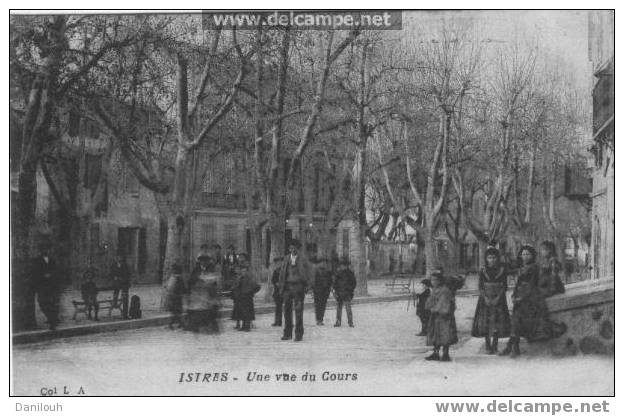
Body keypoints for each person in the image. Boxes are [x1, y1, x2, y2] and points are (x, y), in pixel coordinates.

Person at [500, 245, 565, 358]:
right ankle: (513, 346)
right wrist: (515, 295)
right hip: (521, 295)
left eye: (528, 254)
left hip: (531, 297)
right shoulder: (522, 267)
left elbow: (532, 285)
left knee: (517, 315)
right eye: (523, 254)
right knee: (516, 315)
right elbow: (518, 284)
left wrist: (522, 297)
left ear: (532, 256)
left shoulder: (534, 268)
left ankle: (513, 346)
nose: (525, 256)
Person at [471, 247, 511, 354]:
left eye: (494, 258)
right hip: (485, 300)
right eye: (489, 258)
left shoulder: (502, 270)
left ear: (497, 259)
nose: (492, 260)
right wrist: (485, 298)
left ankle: (495, 345)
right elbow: (480, 286)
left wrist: (498, 298)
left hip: (499, 300)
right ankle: (487, 346)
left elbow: (504, 286)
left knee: (497, 322)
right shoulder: (483, 270)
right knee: (486, 323)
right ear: (486, 259)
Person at [278, 239, 311, 341]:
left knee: (298, 311)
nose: (292, 250)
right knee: (287, 311)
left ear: (298, 248)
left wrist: (307, 287)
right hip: (287, 287)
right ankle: (287, 333)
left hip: (298, 287)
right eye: (290, 248)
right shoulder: (286, 258)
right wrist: (281, 286)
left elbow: (309, 274)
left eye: (294, 248)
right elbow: (282, 273)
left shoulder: (303, 259)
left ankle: (298, 334)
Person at [424, 269, 458, 362]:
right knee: (435, 334)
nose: (433, 282)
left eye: (435, 280)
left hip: (444, 316)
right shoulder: (435, 290)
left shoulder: (445, 290)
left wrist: (434, 309)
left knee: (445, 334)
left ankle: (446, 353)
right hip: (436, 315)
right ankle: (436, 353)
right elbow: (430, 301)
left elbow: (444, 303)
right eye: (432, 280)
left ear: (440, 280)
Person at [31, 240, 61, 330]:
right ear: (40, 250)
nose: (46, 250)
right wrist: (43, 276)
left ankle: (52, 321)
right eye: (43, 249)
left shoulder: (52, 260)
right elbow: (35, 272)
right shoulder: (36, 260)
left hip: (52, 286)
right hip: (42, 286)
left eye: (47, 249)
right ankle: (52, 319)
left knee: (52, 303)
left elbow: (57, 271)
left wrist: (51, 275)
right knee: (42, 303)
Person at [187, 255, 221, 333]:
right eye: (203, 261)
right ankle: (196, 327)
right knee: (197, 311)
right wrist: (198, 279)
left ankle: (211, 328)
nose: (205, 263)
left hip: (208, 293)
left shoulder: (211, 269)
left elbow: (215, 282)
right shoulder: (196, 270)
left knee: (210, 310)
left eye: (206, 261)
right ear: (200, 262)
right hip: (198, 294)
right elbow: (191, 281)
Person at [233, 256, 261, 331]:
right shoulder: (240, 278)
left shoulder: (250, 279)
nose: (243, 273)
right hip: (241, 297)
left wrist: (252, 293)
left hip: (248, 298)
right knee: (242, 312)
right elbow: (237, 287)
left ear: (247, 272)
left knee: (247, 312)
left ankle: (247, 326)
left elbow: (257, 286)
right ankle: (243, 326)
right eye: (242, 271)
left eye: (245, 271)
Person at [333, 258, 356, 327]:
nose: (341, 267)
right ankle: (341, 321)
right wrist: (335, 290)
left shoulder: (349, 273)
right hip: (341, 293)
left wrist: (349, 290)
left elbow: (353, 283)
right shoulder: (340, 273)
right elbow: (335, 283)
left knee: (346, 307)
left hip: (345, 293)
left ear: (345, 266)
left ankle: (348, 321)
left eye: (342, 265)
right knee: (341, 308)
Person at [165, 263, 186, 330]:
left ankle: (180, 323)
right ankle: (171, 324)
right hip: (177, 297)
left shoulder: (172, 277)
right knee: (177, 312)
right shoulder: (179, 278)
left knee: (176, 312)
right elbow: (182, 288)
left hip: (171, 296)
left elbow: (167, 287)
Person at [313, 258, 334, 326]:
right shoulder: (316, 272)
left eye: (324, 263)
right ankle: (318, 319)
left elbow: (330, 281)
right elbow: (313, 281)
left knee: (323, 305)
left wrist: (330, 288)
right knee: (318, 305)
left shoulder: (328, 272)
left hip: (325, 291)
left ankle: (320, 319)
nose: (323, 264)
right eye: (322, 263)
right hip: (317, 291)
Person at [110, 254, 131, 319]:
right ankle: (115, 302)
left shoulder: (125, 266)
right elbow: (111, 274)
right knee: (116, 294)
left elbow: (128, 274)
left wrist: (122, 279)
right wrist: (114, 278)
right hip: (116, 284)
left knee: (125, 298)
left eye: (120, 257)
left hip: (124, 284)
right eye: (118, 257)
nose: (119, 259)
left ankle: (125, 314)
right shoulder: (113, 266)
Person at [271, 257, 284, 327]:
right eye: (278, 263)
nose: (279, 264)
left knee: (287, 307)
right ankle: (277, 321)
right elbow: (273, 280)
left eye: (281, 262)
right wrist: (276, 283)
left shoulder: (286, 270)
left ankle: (288, 322)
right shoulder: (276, 271)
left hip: (284, 291)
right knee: (278, 307)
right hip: (277, 291)